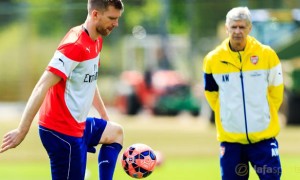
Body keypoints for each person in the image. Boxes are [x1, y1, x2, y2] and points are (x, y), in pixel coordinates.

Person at [0, 0, 124, 179]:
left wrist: (105, 117)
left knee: (115, 133)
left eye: (118, 18)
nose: (116, 24)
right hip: (60, 131)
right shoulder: (74, 45)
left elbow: (89, 80)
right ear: (95, 14)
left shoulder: (96, 41)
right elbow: (42, 85)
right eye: (112, 18)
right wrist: (22, 129)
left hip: (77, 125)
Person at [203, 7, 284, 180]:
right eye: (233, 27)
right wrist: (228, 116)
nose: (237, 31)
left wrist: (263, 116)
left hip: (263, 141)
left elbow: (276, 92)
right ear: (226, 28)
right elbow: (211, 94)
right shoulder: (212, 59)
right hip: (231, 143)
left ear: (249, 28)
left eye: (242, 27)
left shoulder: (267, 54)